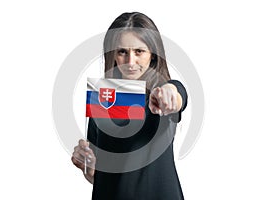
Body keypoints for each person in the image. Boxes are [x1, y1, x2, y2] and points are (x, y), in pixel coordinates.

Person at [72, 12, 188, 200]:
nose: (130, 62)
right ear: (114, 55)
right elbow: (97, 175)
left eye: (139, 52)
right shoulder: (103, 98)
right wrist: (88, 166)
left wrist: (170, 92)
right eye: (122, 52)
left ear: (152, 54)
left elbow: (178, 95)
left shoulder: (161, 93)